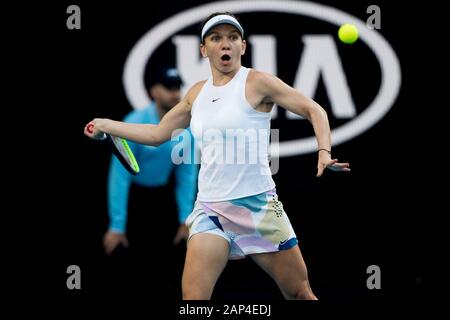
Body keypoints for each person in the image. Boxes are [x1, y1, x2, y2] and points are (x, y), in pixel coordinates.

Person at [85, 12, 350, 300]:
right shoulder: (196, 94)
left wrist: (324, 152)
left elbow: (315, 110)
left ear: (243, 46)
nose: (226, 44)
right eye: (216, 38)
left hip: (259, 206)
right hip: (211, 211)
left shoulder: (259, 82)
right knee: (194, 301)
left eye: (232, 38)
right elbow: (158, 134)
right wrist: (106, 125)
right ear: (204, 49)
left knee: (300, 293)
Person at [100, 67, 198, 299]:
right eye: (168, 88)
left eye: (177, 87)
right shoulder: (134, 123)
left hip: (163, 199)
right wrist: (116, 225)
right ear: (154, 91)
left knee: (167, 270)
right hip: (134, 199)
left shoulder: (187, 129)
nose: (175, 93)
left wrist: (185, 219)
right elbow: (119, 178)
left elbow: (187, 175)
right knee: (131, 274)